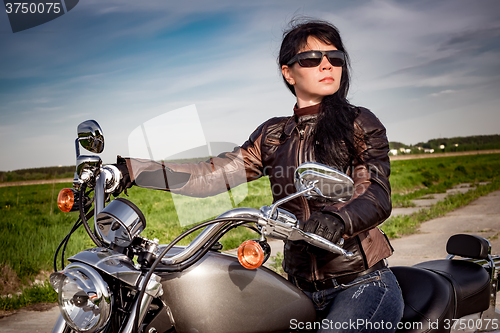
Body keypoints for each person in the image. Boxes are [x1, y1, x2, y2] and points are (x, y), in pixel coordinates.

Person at [117, 19, 404, 333]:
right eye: (312, 59)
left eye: (334, 58)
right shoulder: (273, 134)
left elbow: (375, 192)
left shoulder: (359, 122)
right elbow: (209, 175)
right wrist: (131, 171)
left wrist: (338, 219)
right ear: (288, 72)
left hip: (361, 283)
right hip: (297, 287)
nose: (326, 65)